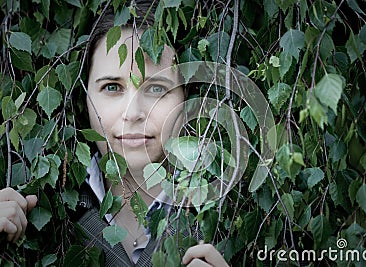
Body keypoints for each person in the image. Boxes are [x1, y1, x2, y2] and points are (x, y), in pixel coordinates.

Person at [0, 1, 228, 266]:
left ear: (185, 98)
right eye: (111, 87)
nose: (132, 113)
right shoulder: (42, 215)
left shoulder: (227, 215)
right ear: (84, 98)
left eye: (156, 89)